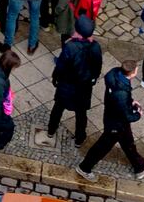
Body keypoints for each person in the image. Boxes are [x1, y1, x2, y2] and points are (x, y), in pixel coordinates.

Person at [75, 58, 144, 180]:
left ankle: (141, 167)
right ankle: (84, 168)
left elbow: (119, 101)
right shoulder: (121, 92)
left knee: (128, 143)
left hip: (113, 117)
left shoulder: (114, 74)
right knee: (102, 147)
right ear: (133, 73)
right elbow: (127, 114)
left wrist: (130, 101)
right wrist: (138, 114)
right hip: (116, 124)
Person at [38, 14, 102, 146]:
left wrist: (55, 77)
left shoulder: (70, 47)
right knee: (81, 113)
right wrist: (93, 80)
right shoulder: (96, 47)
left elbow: (61, 66)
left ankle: (51, 130)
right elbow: (97, 67)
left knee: (58, 108)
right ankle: (79, 138)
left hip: (67, 85)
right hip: (84, 87)